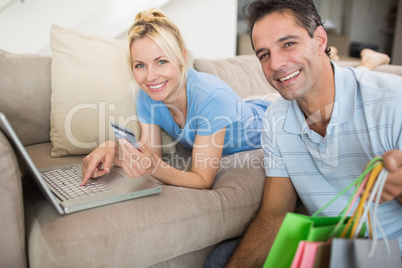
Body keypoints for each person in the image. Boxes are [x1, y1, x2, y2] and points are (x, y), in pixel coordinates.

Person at [205, 0, 402, 267]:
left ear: (320, 39)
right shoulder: (276, 119)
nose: (275, 64)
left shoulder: (393, 100)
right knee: (223, 258)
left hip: (386, 252)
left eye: (288, 44)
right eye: (264, 54)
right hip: (328, 247)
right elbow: (274, 215)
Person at [80, 8, 272, 189]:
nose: (150, 76)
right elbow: (150, 155)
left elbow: (202, 180)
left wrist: (155, 166)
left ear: (182, 56)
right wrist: (111, 150)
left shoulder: (212, 98)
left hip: (267, 123)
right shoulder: (147, 95)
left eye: (161, 62)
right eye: (140, 65)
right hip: (242, 106)